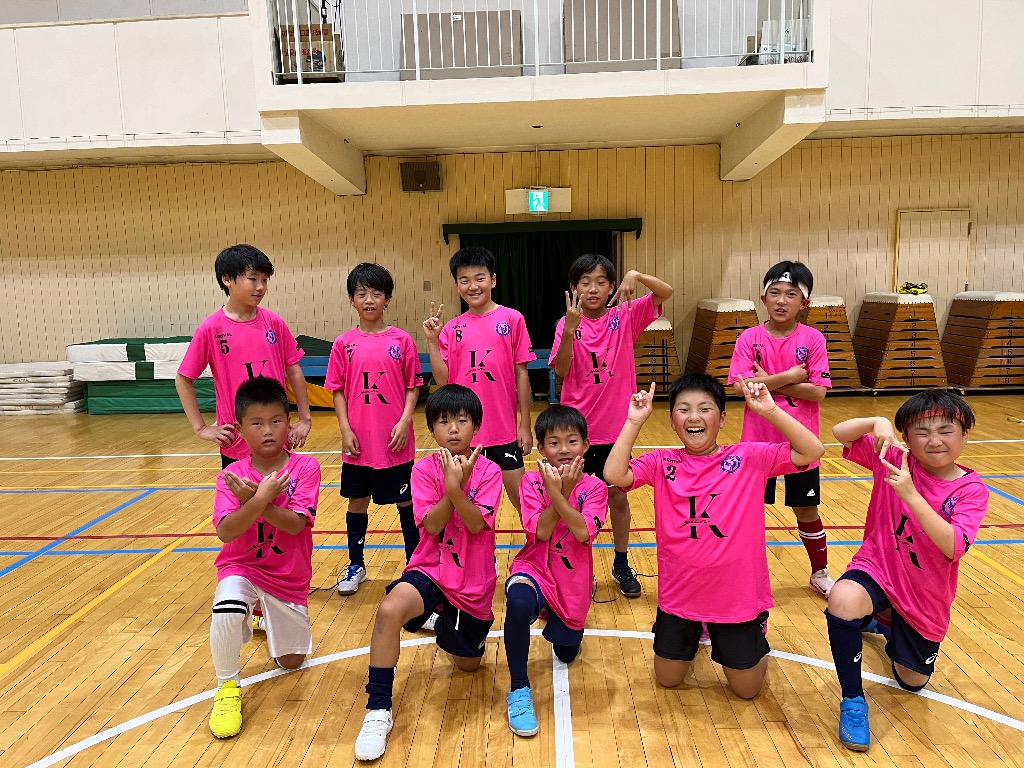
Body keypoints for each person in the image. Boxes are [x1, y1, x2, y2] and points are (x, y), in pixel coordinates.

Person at [604, 373, 824, 699]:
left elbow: (812, 450)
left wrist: (770, 410)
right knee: (668, 679)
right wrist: (633, 421)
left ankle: (756, 635)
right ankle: (696, 631)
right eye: (684, 409)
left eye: (704, 409)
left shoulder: (749, 457)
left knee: (747, 690)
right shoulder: (662, 461)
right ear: (672, 422)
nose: (693, 416)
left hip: (736, 598)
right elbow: (614, 474)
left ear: (721, 419)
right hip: (679, 595)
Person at [826, 390, 988, 752]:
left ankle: (883, 621)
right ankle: (853, 700)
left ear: (964, 436)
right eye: (922, 432)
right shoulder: (894, 458)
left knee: (913, 681)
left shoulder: (970, 490)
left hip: (923, 593)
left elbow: (954, 546)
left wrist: (911, 494)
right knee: (843, 597)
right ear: (906, 438)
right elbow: (840, 432)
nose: (934, 441)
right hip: (878, 567)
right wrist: (876, 421)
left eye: (946, 430)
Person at [354, 384, 503, 761]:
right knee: (389, 610)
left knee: (468, 666)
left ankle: (442, 621)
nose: (453, 428)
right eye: (444, 421)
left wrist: (457, 486)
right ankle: (378, 709)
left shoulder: (490, 471)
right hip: (431, 569)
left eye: (462, 420)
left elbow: (475, 524)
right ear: (432, 430)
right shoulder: (422, 470)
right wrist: (453, 487)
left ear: (476, 426)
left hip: (472, 581)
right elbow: (432, 526)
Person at [550, 253, 672, 598]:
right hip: (576, 433)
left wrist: (637, 275)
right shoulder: (565, 324)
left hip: (615, 430)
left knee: (618, 497)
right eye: (585, 282)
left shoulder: (625, 315)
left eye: (601, 282)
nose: (593, 289)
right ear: (573, 288)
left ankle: (621, 562)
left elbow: (665, 292)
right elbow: (561, 370)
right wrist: (570, 330)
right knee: (573, 499)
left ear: (612, 287)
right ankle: (578, 567)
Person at [206, 376, 321, 739]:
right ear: (240, 430)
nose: (268, 431)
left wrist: (258, 501)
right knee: (226, 606)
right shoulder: (231, 475)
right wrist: (258, 499)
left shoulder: (305, 468)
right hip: (241, 566)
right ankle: (227, 688)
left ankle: (261, 615)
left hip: (287, 576)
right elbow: (226, 533)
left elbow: (295, 525)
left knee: (291, 662)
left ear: (289, 423)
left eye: (276, 421)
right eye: (256, 423)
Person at [728, 260, 834, 596]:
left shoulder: (813, 339)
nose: (781, 300)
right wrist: (788, 376)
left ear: (804, 303)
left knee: (806, 509)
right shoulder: (749, 338)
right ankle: (743, 572)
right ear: (763, 297)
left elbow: (818, 391)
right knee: (749, 511)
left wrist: (765, 382)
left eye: (791, 294)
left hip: (801, 442)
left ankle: (820, 572)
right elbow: (740, 388)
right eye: (774, 293)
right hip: (757, 443)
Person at [502, 404, 609, 736]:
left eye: (572, 441)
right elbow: (541, 531)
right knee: (518, 603)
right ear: (540, 448)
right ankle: (518, 689)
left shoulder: (596, 488)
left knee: (565, 653)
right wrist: (558, 492)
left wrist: (561, 493)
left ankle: (556, 609)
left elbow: (582, 532)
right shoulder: (531, 482)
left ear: (586, 445)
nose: (564, 449)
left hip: (571, 579)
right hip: (533, 566)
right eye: (554, 442)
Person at [325, 263, 423, 595]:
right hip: (359, 442)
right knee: (357, 503)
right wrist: (345, 429)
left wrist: (404, 420)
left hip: (395, 442)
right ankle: (356, 565)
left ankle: (414, 566)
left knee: (406, 503)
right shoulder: (343, 343)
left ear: (387, 299)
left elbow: (413, 386)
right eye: (362, 294)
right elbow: (337, 390)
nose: (369, 300)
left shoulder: (402, 340)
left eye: (376, 294)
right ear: (352, 299)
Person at [177, 244, 312, 469]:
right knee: (242, 493)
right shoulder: (211, 328)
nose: (260, 287)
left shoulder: (274, 322)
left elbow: (294, 370)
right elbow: (183, 379)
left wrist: (305, 419)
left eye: (265, 280)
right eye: (253, 279)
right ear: (227, 279)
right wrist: (200, 428)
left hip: (278, 440)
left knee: (279, 491)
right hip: (236, 444)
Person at [423, 246, 536, 516]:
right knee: (466, 504)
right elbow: (444, 380)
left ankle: (538, 543)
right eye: (465, 280)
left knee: (523, 503)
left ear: (493, 280)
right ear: (457, 285)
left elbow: (522, 374)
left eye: (480, 278)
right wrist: (432, 342)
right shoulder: (451, 328)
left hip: (504, 431)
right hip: (465, 434)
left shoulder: (512, 319)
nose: (473, 286)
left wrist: (524, 425)